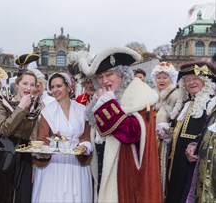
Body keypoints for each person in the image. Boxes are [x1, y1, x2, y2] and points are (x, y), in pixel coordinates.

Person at [77, 47, 162, 202]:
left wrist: (108, 104)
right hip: (104, 168)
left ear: (123, 74)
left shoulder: (138, 95)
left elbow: (132, 134)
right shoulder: (103, 97)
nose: (104, 81)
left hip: (126, 174)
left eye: (110, 74)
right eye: (100, 77)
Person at [0, 69, 41, 203]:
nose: (28, 88)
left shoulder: (36, 107)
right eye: (25, 83)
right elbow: (4, 130)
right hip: (3, 155)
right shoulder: (3, 100)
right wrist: (21, 108)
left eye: (32, 85)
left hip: (24, 158)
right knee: (0, 196)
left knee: (22, 197)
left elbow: (34, 137)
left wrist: (35, 165)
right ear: (17, 84)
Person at [32, 72, 93, 202]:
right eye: (52, 87)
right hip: (54, 166)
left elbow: (85, 137)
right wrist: (43, 150)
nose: (55, 90)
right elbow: (42, 139)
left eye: (58, 86)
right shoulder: (47, 112)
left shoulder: (82, 110)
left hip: (77, 165)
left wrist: (83, 147)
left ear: (69, 87)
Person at [166, 60, 216, 203]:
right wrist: (169, 133)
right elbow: (178, 130)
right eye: (187, 80)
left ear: (205, 82)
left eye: (195, 79)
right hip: (177, 160)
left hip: (195, 162)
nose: (191, 82)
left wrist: (197, 145)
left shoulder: (212, 104)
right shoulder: (185, 104)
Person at [151, 61, 179, 200]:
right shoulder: (151, 94)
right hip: (149, 139)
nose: (161, 80)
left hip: (165, 143)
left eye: (165, 77)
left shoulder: (176, 95)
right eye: (159, 77)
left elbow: (177, 120)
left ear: (171, 78)